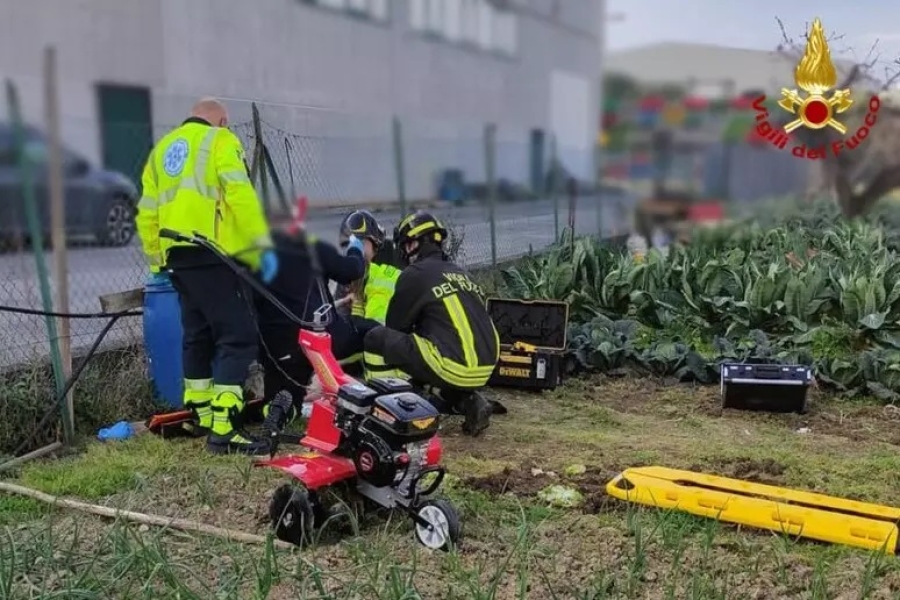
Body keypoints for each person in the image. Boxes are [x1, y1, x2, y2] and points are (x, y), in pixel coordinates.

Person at [136, 97, 278, 455]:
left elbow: (147, 213)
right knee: (238, 336)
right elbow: (240, 195)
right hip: (214, 254)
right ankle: (225, 430)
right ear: (223, 121)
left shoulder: (161, 151)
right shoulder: (220, 140)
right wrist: (260, 246)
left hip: (177, 259)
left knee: (197, 335)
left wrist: (157, 260)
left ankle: (201, 414)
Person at [363, 211, 499, 436]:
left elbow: (395, 327)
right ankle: (467, 401)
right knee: (428, 351)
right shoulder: (461, 273)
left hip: (452, 365)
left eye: (404, 245)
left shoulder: (413, 274)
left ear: (413, 244)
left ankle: (385, 405)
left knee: (376, 338)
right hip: (486, 366)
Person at [255, 226, 379, 409]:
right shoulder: (312, 249)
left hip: (277, 347)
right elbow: (352, 270)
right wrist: (355, 247)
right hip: (318, 338)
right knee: (373, 331)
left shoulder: (254, 260)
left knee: (284, 399)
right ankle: (379, 390)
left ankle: (276, 411)